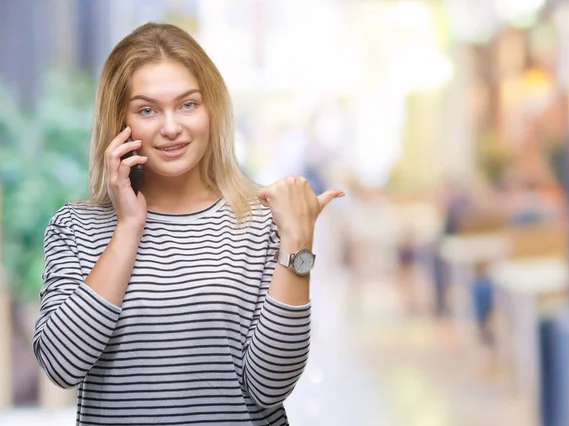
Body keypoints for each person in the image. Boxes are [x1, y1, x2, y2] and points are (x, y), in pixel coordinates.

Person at [32, 22, 344, 425]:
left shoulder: (261, 221)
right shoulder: (76, 226)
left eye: (187, 104)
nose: (171, 127)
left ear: (210, 108)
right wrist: (128, 226)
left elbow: (269, 386)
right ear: (119, 123)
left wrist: (298, 243)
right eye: (147, 109)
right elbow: (61, 365)